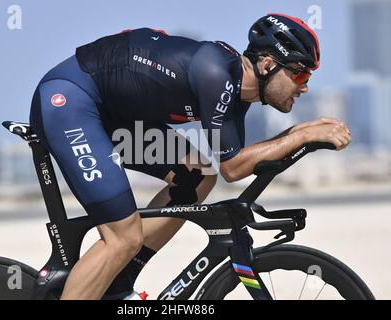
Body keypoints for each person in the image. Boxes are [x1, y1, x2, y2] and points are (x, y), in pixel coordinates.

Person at [29, 13, 351, 300]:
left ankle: (119, 279)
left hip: (111, 116)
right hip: (70, 101)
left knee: (197, 175)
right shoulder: (217, 75)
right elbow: (235, 168)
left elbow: (238, 162)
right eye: (299, 75)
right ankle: (115, 261)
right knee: (122, 237)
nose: (304, 87)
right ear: (268, 65)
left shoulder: (238, 92)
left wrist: (299, 137)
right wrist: (301, 134)